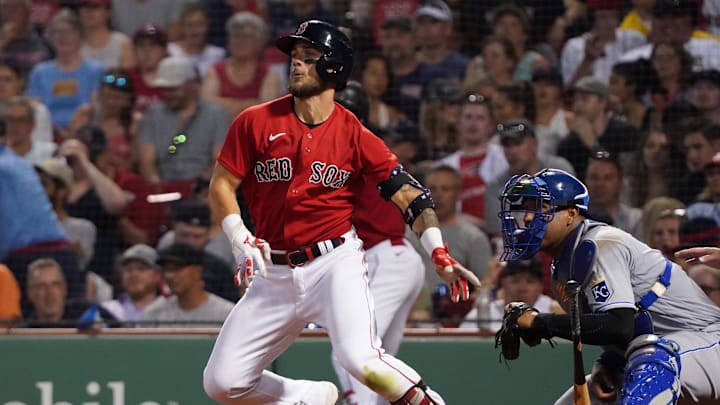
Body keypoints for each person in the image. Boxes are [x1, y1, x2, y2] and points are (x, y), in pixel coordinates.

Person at [202, 20, 479, 405]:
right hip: (275, 271)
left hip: (333, 264)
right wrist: (237, 235)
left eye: (309, 58)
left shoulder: (355, 135)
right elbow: (221, 184)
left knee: (360, 360)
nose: (296, 65)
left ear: (333, 68)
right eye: (295, 58)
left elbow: (412, 197)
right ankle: (310, 396)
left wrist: (438, 252)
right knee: (222, 382)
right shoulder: (255, 121)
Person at [498, 168, 720, 404]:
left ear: (571, 214)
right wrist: (610, 362)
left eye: (540, 208)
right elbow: (615, 332)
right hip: (661, 355)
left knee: (653, 360)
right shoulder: (561, 271)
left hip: (707, 345)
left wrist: (539, 322)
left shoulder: (602, 244)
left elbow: (618, 325)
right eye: (528, 209)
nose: (529, 218)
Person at [331, 82, 425, 405]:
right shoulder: (364, 146)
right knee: (379, 368)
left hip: (386, 258)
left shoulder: (351, 149)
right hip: (387, 261)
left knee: (350, 352)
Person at [137, 56, 230, 183]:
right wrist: (158, 188)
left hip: (203, 187)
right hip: (164, 185)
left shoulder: (216, 115)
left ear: (191, 85)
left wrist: (201, 187)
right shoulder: (153, 115)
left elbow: (220, 161)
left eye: (173, 89)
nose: (168, 94)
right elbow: (146, 162)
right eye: (165, 89)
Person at [141, 242, 234, 328]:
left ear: (198, 271)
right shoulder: (153, 314)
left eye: (176, 268)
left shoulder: (226, 314)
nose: (169, 276)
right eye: (167, 270)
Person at [459, 257, 563, 331]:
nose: (523, 288)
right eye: (515, 281)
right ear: (503, 284)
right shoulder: (486, 313)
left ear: (540, 287)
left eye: (530, 281)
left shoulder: (554, 312)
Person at [20, 257, 117, 328]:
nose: (49, 292)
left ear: (64, 289)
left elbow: (125, 334)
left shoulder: (86, 311)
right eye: (41, 286)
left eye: (55, 284)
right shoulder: (24, 334)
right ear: (30, 293)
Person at [101, 244, 164, 324]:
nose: (134, 274)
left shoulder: (170, 310)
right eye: (128, 269)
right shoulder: (106, 310)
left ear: (157, 275)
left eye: (141, 269)